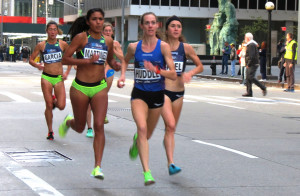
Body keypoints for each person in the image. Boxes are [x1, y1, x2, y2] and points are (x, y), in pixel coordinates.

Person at [60, 8, 121, 180]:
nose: (98, 22)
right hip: (80, 87)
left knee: (99, 125)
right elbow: (65, 58)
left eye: (101, 19)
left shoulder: (108, 41)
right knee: (80, 127)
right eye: (94, 19)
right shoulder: (81, 38)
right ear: (88, 21)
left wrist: (115, 65)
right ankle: (69, 122)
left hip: (99, 87)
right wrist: (85, 61)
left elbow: (109, 60)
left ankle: (97, 167)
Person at [117, 12, 177, 185]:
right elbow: (124, 60)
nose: (150, 26)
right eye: (147, 23)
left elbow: (173, 74)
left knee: (147, 134)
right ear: (142, 26)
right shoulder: (134, 47)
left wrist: (156, 70)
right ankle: (147, 172)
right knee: (142, 128)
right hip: (139, 94)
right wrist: (122, 76)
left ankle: (137, 142)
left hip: (157, 95)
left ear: (157, 25)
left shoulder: (164, 47)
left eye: (153, 23)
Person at [161, 16, 203, 176]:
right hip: (163, 91)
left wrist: (190, 73)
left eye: (179, 26)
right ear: (167, 30)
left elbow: (199, 66)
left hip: (179, 92)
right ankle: (171, 162)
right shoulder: (161, 47)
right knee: (170, 125)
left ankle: (170, 163)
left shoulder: (185, 48)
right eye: (173, 26)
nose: (176, 29)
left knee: (171, 129)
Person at [29, 21, 71, 140]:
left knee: (62, 105)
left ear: (57, 31)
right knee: (48, 105)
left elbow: (69, 58)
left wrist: (67, 72)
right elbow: (31, 59)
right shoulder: (41, 45)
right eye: (50, 29)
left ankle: (54, 100)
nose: (52, 32)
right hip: (46, 77)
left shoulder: (62, 44)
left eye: (54, 29)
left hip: (58, 78)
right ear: (47, 31)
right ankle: (50, 131)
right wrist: (38, 65)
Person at [85, 22, 125, 138]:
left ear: (112, 32)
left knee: (102, 95)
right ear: (102, 31)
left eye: (109, 30)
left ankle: (103, 114)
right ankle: (90, 128)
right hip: (96, 71)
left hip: (110, 71)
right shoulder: (96, 42)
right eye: (105, 30)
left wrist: (112, 48)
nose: (108, 32)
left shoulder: (115, 43)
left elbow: (122, 58)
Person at [242, 33, 267, 97]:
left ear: (248, 38)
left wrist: (248, 64)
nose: (244, 39)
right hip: (251, 63)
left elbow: (252, 56)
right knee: (248, 77)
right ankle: (249, 92)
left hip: (253, 63)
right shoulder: (250, 44)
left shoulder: (251, 45)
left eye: (245, 37)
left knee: (250, 77)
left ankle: (263, 87)